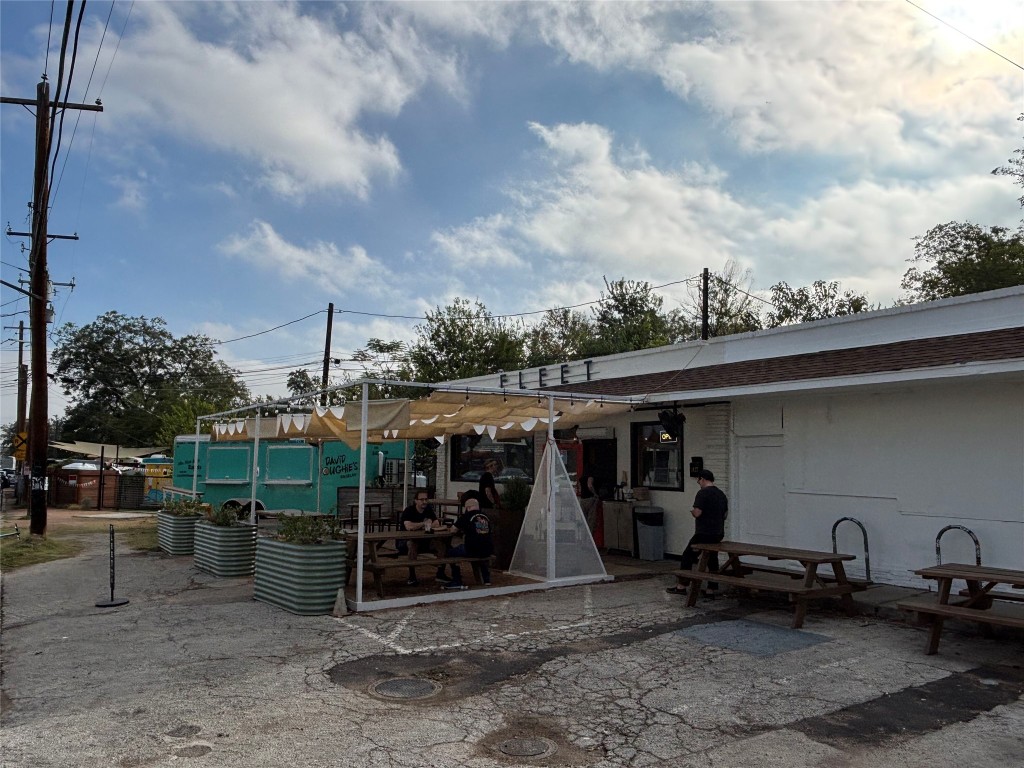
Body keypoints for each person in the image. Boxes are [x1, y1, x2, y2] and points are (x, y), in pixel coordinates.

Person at [666, 469, 727, 596]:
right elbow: (725, 514)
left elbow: (698, 512)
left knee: (687, 555)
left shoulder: (702, 493)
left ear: (703, 479)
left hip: (703, 533)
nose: (698, 483)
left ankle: (682, 586)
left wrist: (692, 512)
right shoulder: (721, 494)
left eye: (699, 480)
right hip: (718, 533)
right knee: (712, 558)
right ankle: (711, 588)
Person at [442, 496, 494, 590]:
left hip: (472, 549)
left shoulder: (466, 516)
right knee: (481, 551)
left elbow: (453, 530)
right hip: (488, 549)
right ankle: (486, 579)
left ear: (467, 508)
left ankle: (456, 580)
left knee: (450, 553)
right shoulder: (485, 517)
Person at [398, 491, 443, 586]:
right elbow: (409, 526)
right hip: (404, 541)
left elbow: (436, 523)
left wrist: (421, 525)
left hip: (424, 540)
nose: (424, 502)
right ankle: (412, 576)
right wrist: (424, 524)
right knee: (412, 544)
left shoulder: (429, 510)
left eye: (426, 499)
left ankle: (440, 573)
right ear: (416, 501)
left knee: (441, 544)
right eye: (421, 499)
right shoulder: (409, 510)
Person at [579, 463, 599, 534]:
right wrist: (595, 494)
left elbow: (580, 489)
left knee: (584, 520)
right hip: (590, 499)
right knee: (591, 520)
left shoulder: (581, 478)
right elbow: (590, 485)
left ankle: (583, 537)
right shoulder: (590, 477)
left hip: (582, 499)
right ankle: (590, 538)